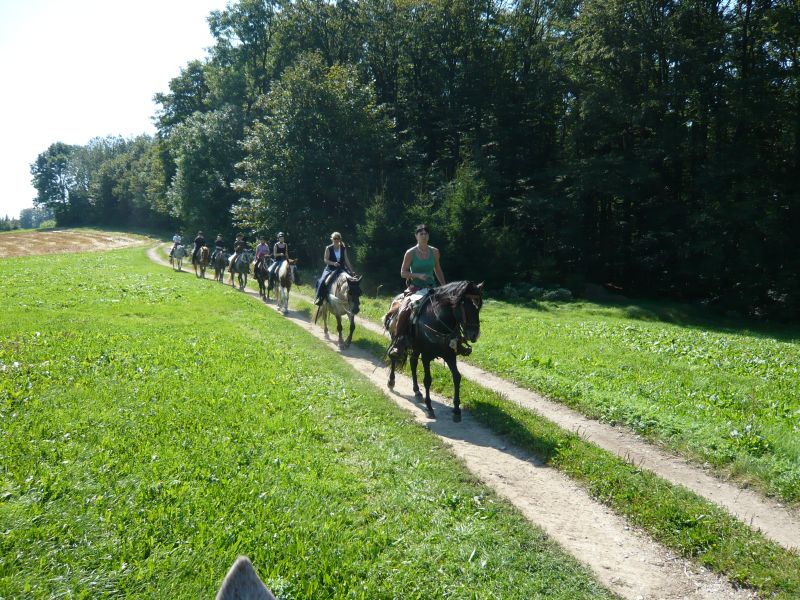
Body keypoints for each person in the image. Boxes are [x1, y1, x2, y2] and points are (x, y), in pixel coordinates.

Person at [388, 224, 446, 358]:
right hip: (415, 287)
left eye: (426, 233)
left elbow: (437, 269)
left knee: (447, 307)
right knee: (406, 309)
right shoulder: (410, 252)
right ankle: (399, 341)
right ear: (416, 236)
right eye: (421, 234)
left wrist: (444, 286)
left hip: (431, 287)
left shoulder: (435, 251)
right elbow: (403, 273)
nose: (424, 236)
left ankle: (452, 341)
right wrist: (418, 275)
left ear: (429, 236)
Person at [314, 231, 355, 305]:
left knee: (352, 280)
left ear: (340, 239)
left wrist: (351, 271)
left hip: (341, 268)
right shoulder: (328, 248)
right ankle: (319, 297)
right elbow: (325, 260)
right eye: (334, 238)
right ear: (332, 239)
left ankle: (354, 299)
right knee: (323, 280)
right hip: (330, 268)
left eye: (337, 238)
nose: (336, 240)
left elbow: (346, 260)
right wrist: (333, 263)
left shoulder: (343, 248)